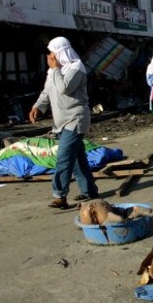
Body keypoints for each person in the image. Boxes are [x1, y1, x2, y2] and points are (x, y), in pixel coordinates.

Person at [29, 36, 98, 209]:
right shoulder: (54, 71)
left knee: (64, 157)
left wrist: (55, 69)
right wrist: (38, 106)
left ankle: (60, 195)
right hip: (61, 121)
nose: (50, 57)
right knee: (76, 159)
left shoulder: (76, 69)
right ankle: (89, 190)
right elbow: (47, 91)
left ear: (60, 53)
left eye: (52, 53)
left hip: (75, 119)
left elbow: (64, 88)